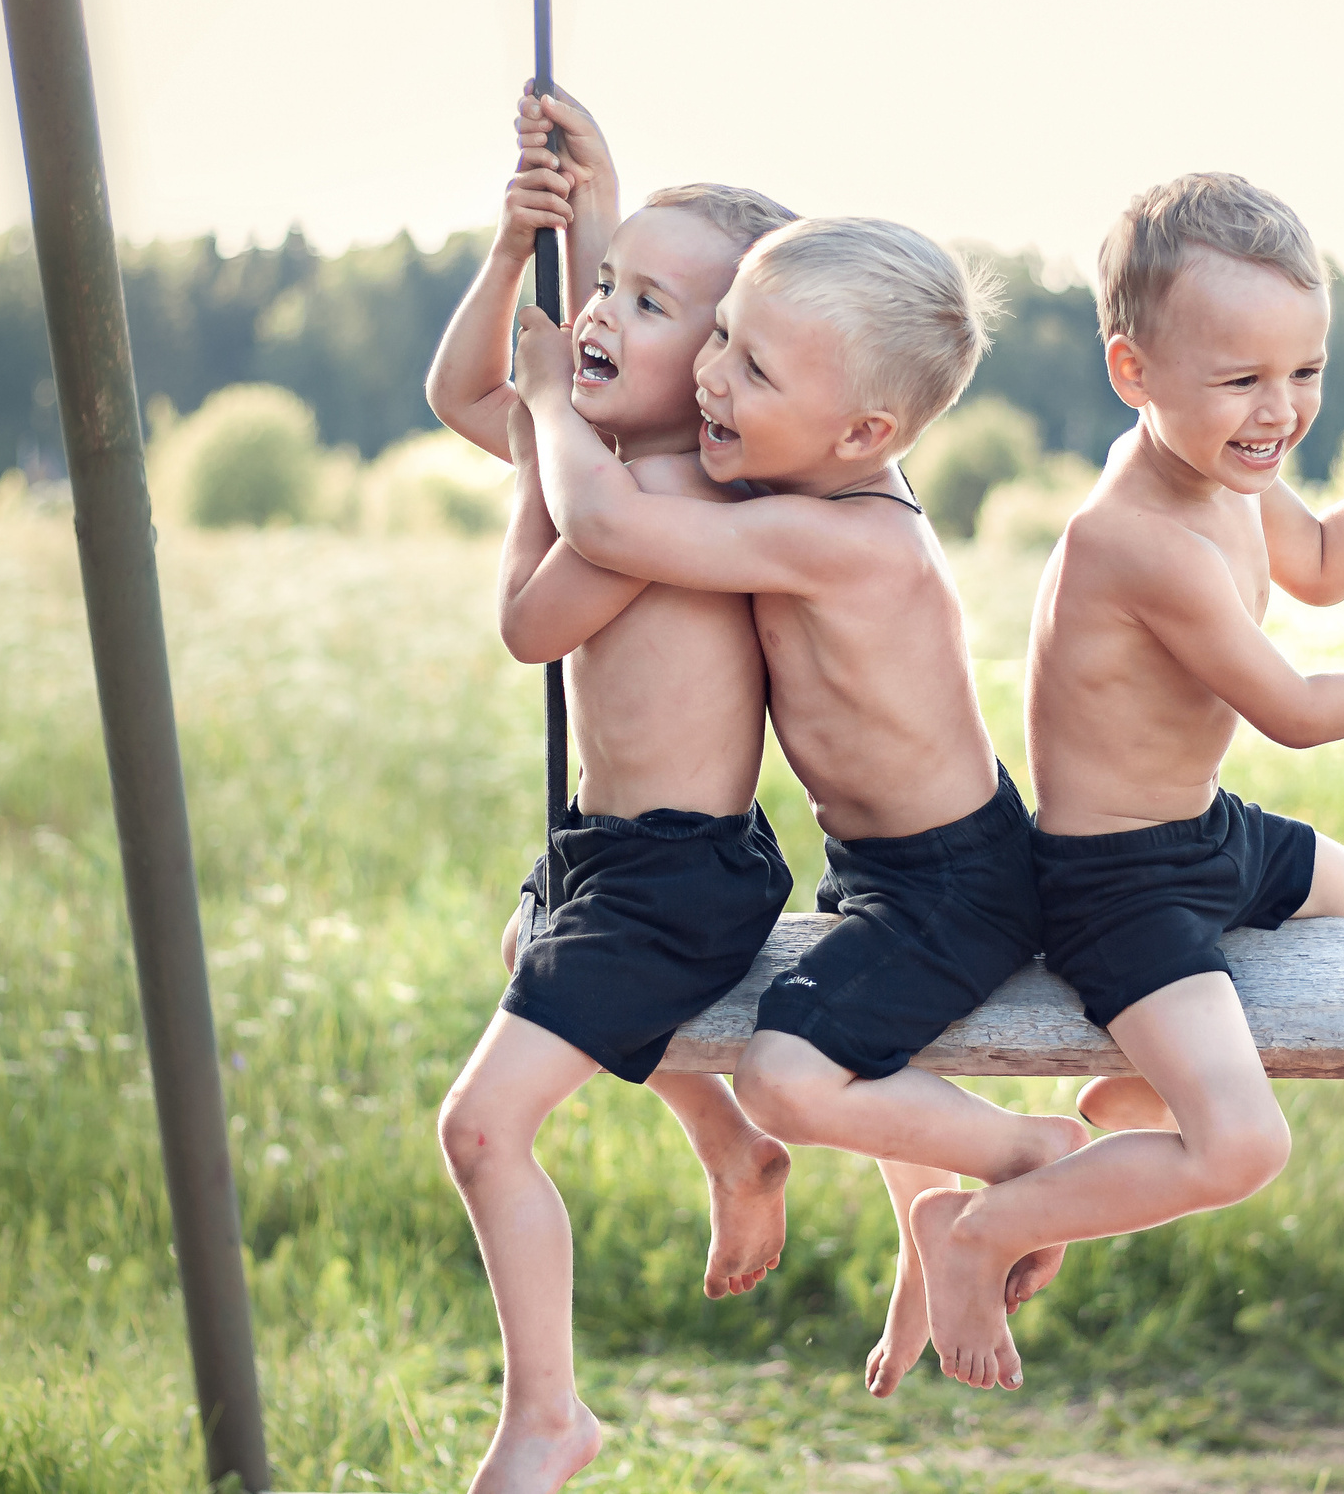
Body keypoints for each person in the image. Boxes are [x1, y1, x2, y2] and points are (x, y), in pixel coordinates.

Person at [901, 171, 1344, 1391]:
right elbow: (1289, 711)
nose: (1275, 411)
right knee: (1242, 1148)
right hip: (1114, 886)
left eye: (1304, 372)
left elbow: (1330, 562)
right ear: (1134, 373)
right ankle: (979, 1232)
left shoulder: (1226, 478)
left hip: (1206, 835)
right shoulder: (1140, 536)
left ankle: (1103, 1130)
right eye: (1240, 379)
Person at [510, 217, 1089, 1400]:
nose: (713, 376)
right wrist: (585, 229)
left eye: (754, 369)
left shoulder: (843, 536)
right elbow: (626, 481)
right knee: (845, 1033)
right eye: (718, 335)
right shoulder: (797, 484)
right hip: (884, 870)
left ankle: (1031, 1158)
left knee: (787, 1072)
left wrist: (545, 402)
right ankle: (928, 1232)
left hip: (958, 884)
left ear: (862, 434)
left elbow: (609, 522)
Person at [426, 87, 800, 1493]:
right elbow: (462, 393)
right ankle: (732, 1137)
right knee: (528, 944)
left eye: (648, 305)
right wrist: (525, 244)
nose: (601, 318)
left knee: (482, 1121)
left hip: (680, 871)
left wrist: (545, 415)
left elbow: (532, 617)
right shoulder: (611, 451)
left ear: (724, 371)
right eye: (608, 289)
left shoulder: (683, 498)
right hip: (611, 854)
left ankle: (547, 1415)